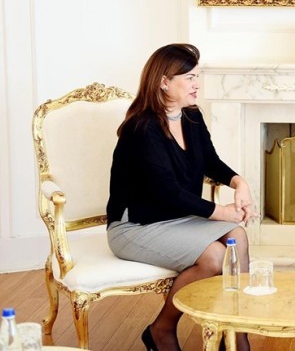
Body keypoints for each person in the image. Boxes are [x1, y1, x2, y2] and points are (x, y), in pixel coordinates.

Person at [106, 43, 257, 351]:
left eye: (197, 76)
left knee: (237, 236)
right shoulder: (142, 128)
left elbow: (211, 161)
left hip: (176, 218)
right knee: (214, 256)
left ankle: (236, 334)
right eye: (189, 77)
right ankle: (161, 329)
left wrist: (240, 182)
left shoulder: (191, 116)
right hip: (135, 226)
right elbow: (168, 192)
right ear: (164, 82)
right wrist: (222, 211)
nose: (196, 84)